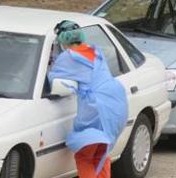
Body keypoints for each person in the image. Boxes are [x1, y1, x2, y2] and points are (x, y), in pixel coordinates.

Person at [49, 20, 128, 178]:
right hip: (118, 102)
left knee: (84, 155)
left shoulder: (67, 57)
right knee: (100, 153)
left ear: (62, 40)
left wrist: (52, 60)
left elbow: (53, 79)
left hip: (97, 107)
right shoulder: (96, 51)